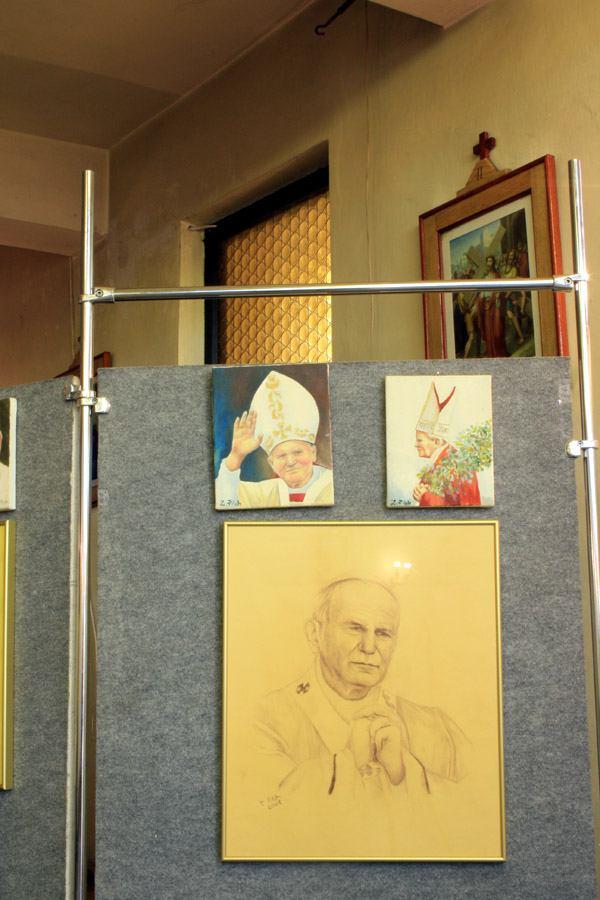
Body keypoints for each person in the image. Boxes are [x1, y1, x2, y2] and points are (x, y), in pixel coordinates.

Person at [254, 577, 469, 807]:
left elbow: (475, 807)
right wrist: (348, 764)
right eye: (355, 629)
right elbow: (265, 811)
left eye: (383, 633)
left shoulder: (437, 729)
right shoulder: (264, 721)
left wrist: (401, 774)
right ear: (315, 634)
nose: (369, 647)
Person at [215, 370, 333, 508]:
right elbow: (225, 503)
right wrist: (236, 455)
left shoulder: (333, 486)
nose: (290, 462)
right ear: (271, 463)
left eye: (297, 452)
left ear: (313, 453)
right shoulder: (262, 494)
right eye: (281, 456)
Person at [412, 382, 481, 507]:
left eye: (420, 440)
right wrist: (419, 493)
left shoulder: (460, 464)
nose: (415, 444)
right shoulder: (436, 461)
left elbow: (468, 506)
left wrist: (425, 496)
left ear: (436, 441)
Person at [475, 254, 509, 358]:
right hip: (486, 307)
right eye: (487, 261)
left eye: (490, 261)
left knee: (498, 332)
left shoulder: (497, 275)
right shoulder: (484, 278)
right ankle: (493, 355)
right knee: (490, 333)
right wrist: (478, 303)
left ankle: (500, 352)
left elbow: (502, 289)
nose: (489, 263)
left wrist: (499, 295)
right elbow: (482, 293)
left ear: (493, 263)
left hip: (496, 304)